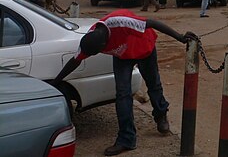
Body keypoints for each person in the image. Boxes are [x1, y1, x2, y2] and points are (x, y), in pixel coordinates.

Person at [53, 10, 193, 156]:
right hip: (122, 57)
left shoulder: (120, 22)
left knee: (153, 85)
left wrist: (180, 37)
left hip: (144, 47)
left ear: (105, 43)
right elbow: (75, 61)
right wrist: (56, 82)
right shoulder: (90, 40)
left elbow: (152, 23)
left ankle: (161, 115)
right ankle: (126, 139)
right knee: (122, 94)